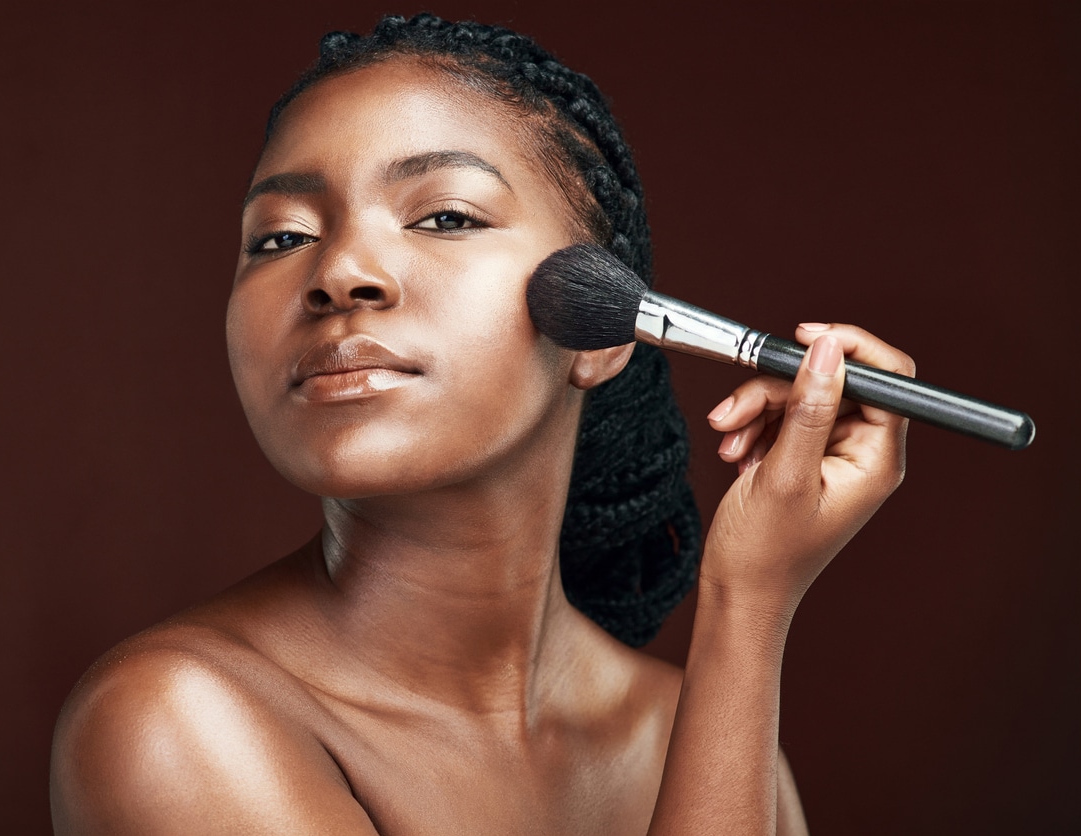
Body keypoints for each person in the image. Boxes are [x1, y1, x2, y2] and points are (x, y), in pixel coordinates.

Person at [50, 14, 913, 834]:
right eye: (279, 238)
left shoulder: (689, 731)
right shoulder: (176, 722)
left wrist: (745, 623)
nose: (339, 272)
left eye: (445, 217)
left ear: (604, 329)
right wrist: (748, 605)